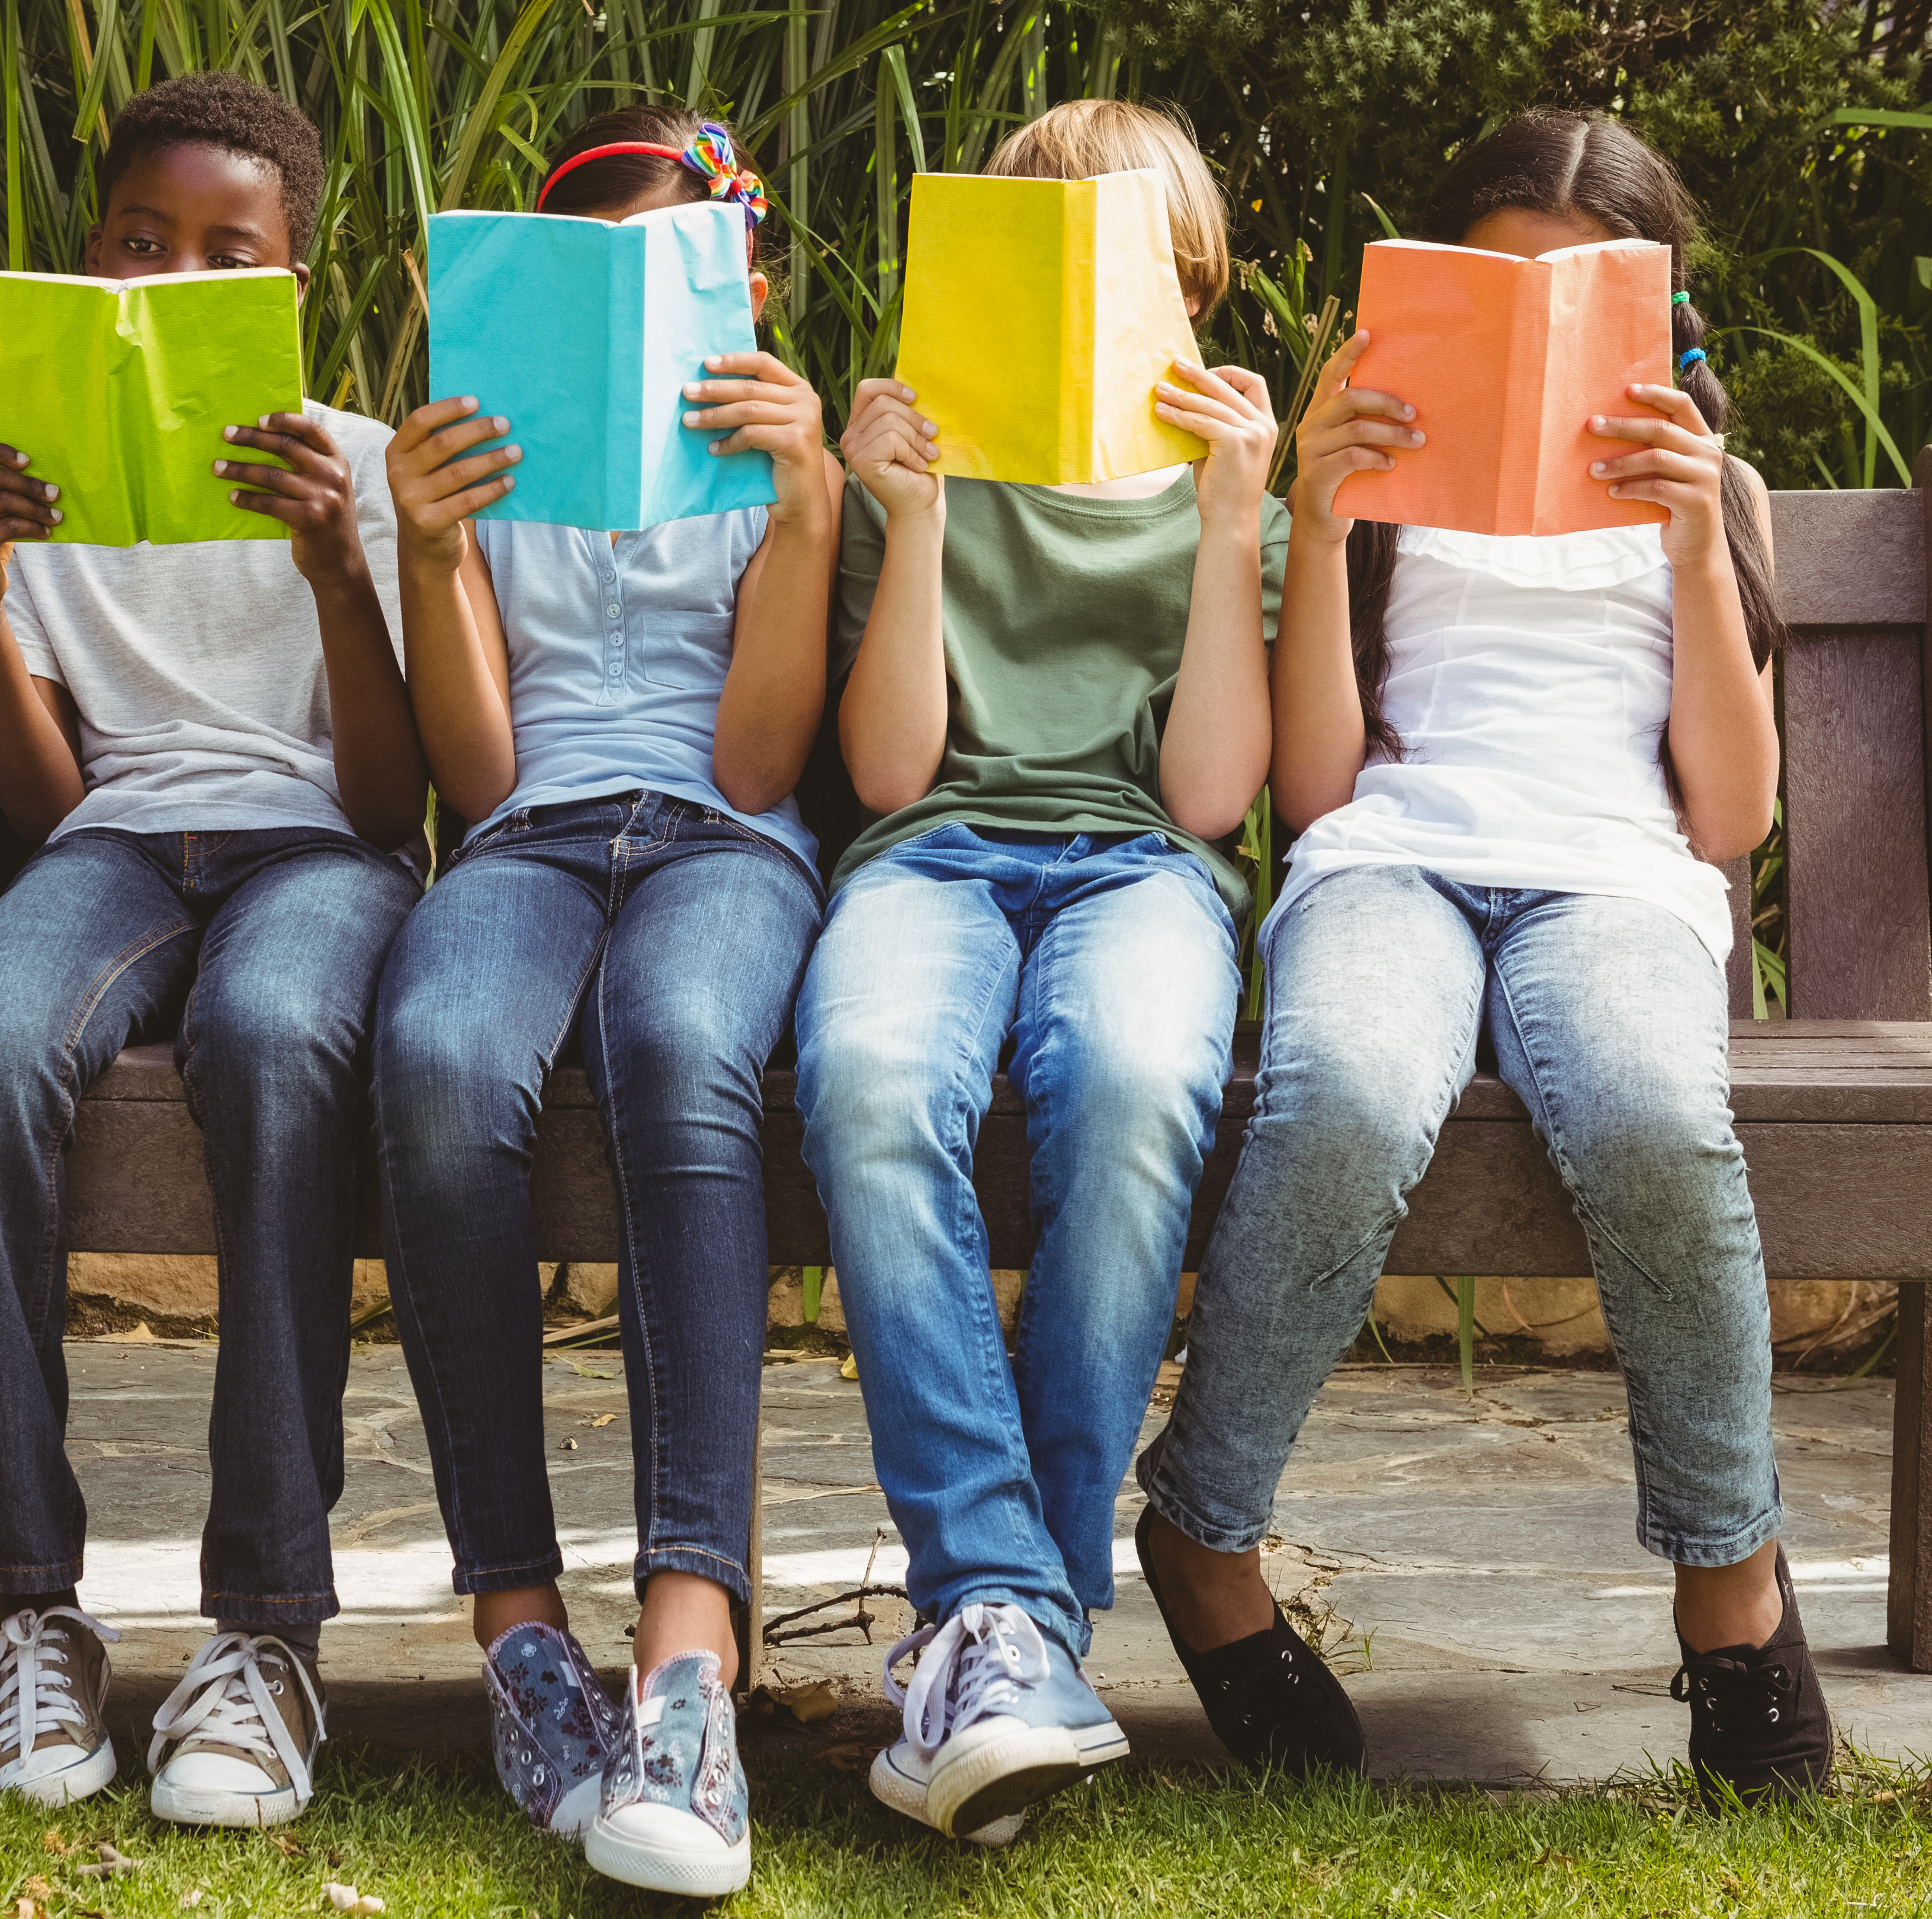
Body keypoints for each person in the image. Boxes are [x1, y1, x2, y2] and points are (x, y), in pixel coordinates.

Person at [1135, 107, 1828, 1801]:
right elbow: (1311, 794)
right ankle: (1204, 1540)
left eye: (1579, 298)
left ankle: (1732, 1589)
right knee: (1352, 1093)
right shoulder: (1383, 489)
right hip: (1400, 857)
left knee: (1657, 1119)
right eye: (1495, 295)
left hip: (1616, 879)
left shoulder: (1706, 488)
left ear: (1658, 317)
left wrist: (1687, 547)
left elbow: (1729, 817)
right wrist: (1312, 518)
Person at [0, 70, 423, 1830]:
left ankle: (266, 1629)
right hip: (114, 840)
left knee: (282, 1036)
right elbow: (44, 805)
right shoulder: (28, 473)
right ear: (91, 257)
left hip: (312, 848)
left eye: (228, 253)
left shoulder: (350, 463)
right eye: (144, 242)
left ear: (290, 282)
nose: (176, 271)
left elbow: (383, 803)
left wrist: (337, 570)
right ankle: (30, 1609)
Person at [788, 98, 1287, 1841]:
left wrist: (1232, 529)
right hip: (934, 851)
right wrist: (911, 519)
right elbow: (889, 779)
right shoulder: (919, 457)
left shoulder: (1226, 478)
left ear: (1191, 279)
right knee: (863, 1080)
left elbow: (1213, 800)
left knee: (1144, 1079)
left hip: (1141, 864)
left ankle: (1009, 1622)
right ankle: (1011, 1612)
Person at [368, 110, 832, 1899]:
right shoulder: (500, 463)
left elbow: (761, 756)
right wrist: (430, 550)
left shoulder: (769, 469)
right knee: (438, 1056)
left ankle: (691, 1658)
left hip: (724, 833)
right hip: (532, 835)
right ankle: (521, 1638)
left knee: (684, 1049)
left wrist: (801, 512)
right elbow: (479, 779)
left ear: (742, 287)